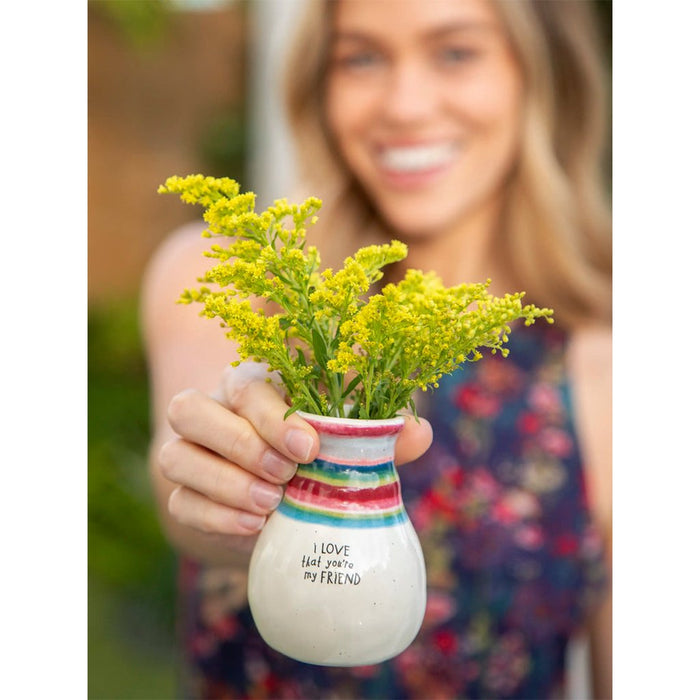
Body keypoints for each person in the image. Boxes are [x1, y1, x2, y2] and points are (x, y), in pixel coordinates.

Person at [141, 0, 612, 697]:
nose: (405, 104)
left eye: (455, 51)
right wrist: (232, 487)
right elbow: (180, 483)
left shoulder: (616, 360)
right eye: (361, 56)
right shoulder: (231, 276)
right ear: (319, 84)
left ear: (540, 74)